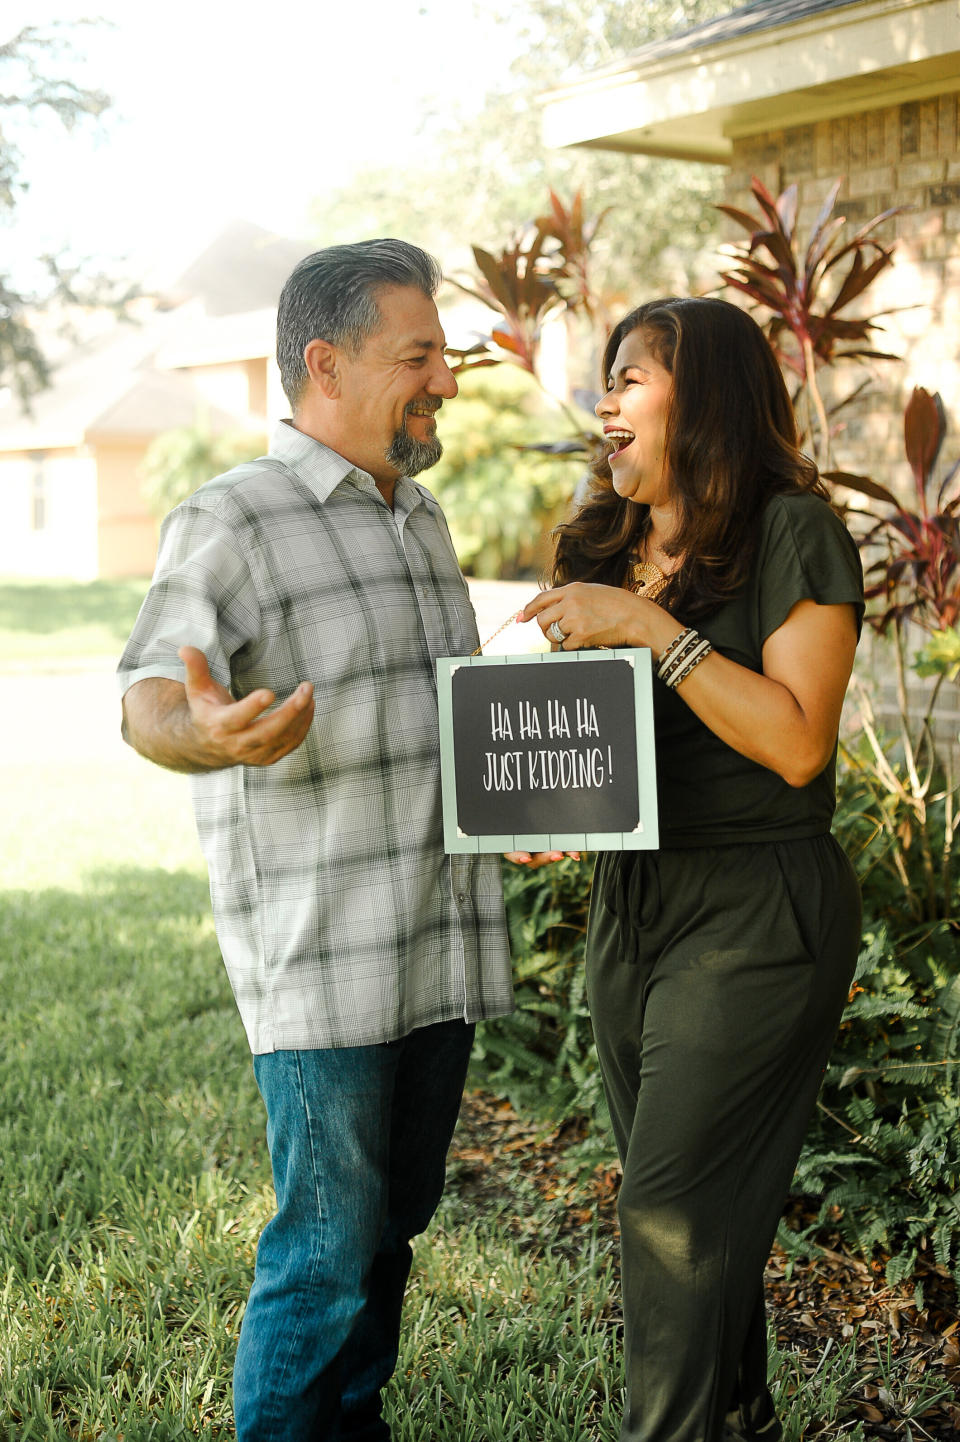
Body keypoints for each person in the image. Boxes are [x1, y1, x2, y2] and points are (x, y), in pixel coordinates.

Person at [117, 240, 517, 1441]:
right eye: (421, 354)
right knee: (326, 1249)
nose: (446, 376)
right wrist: (204, 729)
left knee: (391, 1227)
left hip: (436, 946)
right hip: (325, 961)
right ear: (326, 363)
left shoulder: (422, 515)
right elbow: (147, 693)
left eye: (443, 353)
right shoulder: (230, 517)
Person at [522, 296, 864, 1442]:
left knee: (666, 1206)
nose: (604, 402)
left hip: (758, 903)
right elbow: (587, 741)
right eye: (604, 382)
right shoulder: (603, 547)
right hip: (635, 900)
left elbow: (797, 738)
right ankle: (739, 1415)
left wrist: (648, 628)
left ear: (704, 395)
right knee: (696, 1208)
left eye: (631, 377)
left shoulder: (792, 531)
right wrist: (541, 809)